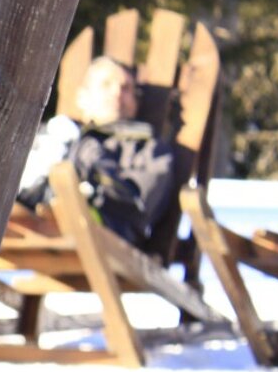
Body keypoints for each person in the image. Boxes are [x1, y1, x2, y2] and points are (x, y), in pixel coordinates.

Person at [16, 56, 175, 245]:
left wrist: (96, 166)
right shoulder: (58, 134)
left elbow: (140, 206)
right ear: (82, 97)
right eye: (106, 84)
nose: (117, 93)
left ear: (135, 102)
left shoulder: (148, 147)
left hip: (105, 233)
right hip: (29, 219)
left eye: (126, 88)